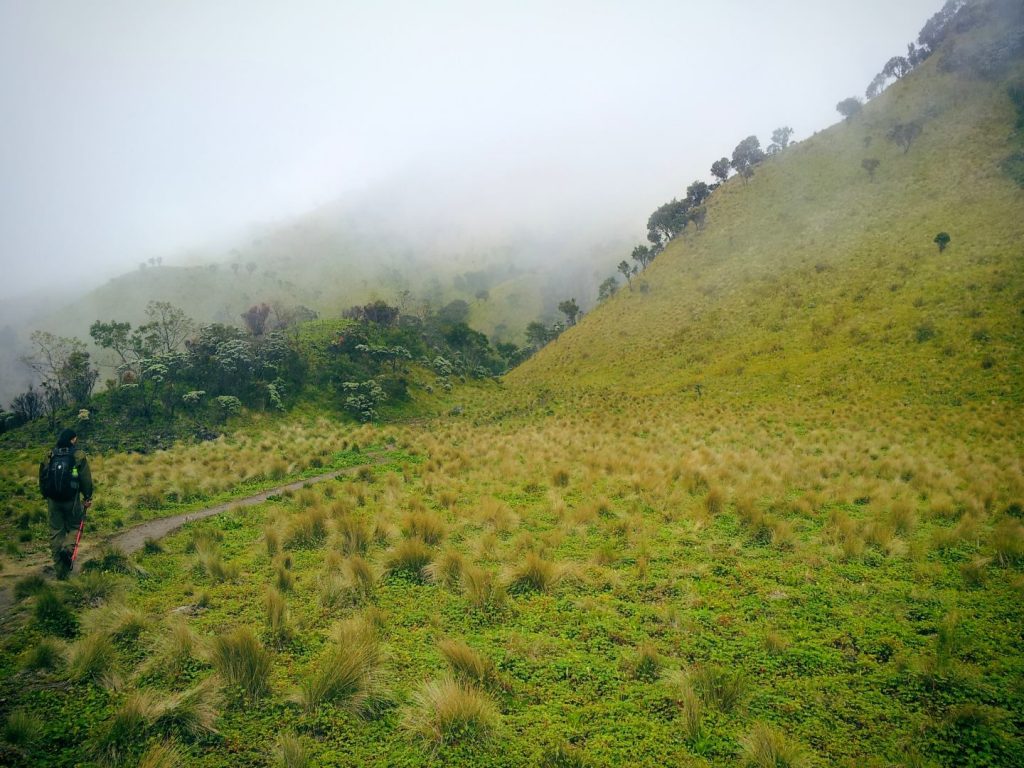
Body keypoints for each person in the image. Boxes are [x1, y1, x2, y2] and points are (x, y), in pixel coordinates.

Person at [41, 428, 93, 579]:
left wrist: (46, 495)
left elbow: (43, 476)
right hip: (72, 500)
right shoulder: (78, 455)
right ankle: (68, 549)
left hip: (53, 501)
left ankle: (60, 572)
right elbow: (85, 479)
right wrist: (87, 497)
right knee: (75, 526)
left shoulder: (49, 454)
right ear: (72, 439)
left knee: (56, 532)